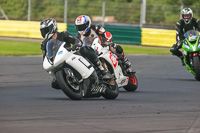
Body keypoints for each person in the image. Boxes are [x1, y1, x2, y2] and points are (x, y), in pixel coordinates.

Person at [40, 18, 80, 89]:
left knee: (83, 52)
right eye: (42, 31)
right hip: (58, 61)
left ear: (52, 28)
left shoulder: (63, 34)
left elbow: (75, 41)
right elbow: (45, 57)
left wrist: (76, 45)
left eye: (45, 30)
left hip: (71, 55)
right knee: (55, 84)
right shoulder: (44, 43)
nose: (44, 33)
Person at [74, 15, 113, 81]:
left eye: (82, 26)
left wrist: (106, 41)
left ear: (87, 25)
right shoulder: (79, 35)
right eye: (79, 27)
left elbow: (105, 34)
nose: (80, 29)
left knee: (115, 47)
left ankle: (126, 63)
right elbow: (78, 44)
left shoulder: (96, 28)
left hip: (102, 46)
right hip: (92, 51)